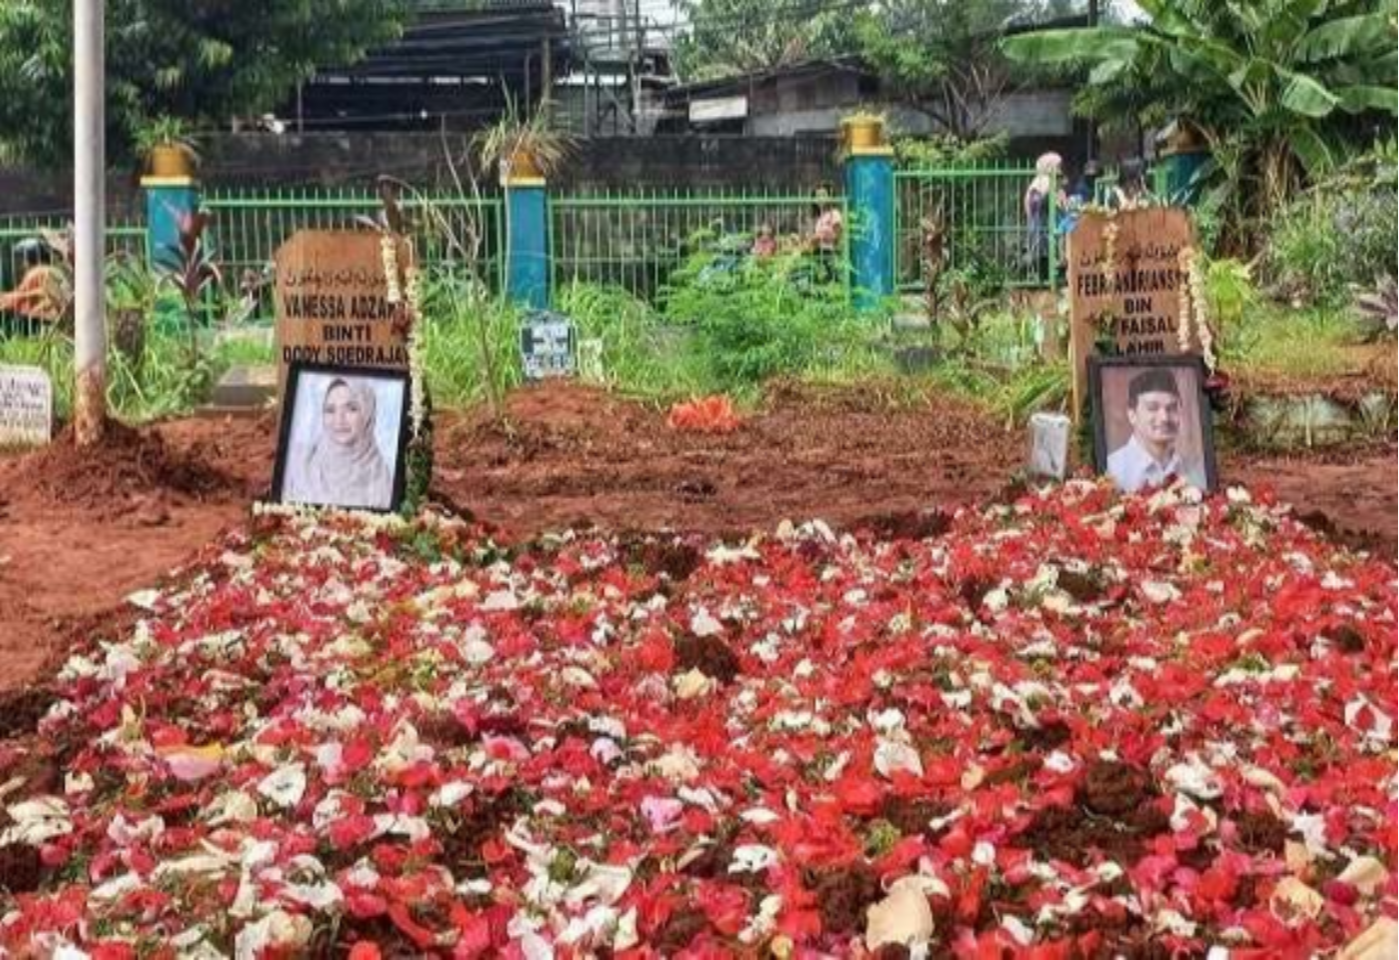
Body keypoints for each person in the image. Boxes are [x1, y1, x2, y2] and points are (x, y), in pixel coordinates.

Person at [284, 377, 394, 509]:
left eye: (351, 408)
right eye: (330, 410)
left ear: (368, 414)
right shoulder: (299, 465)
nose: (339, 419)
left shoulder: (382, 479)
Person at [1106, 368, 1207, 493]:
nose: (1164, 418)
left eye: (1171, 408)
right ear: (1132, 415)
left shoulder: (1194, 469)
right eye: (1152, 408)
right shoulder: (1112, 470)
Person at [1023, 152, 1064, 276]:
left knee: (1044, 249)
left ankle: (1044, 276)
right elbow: (1037, 201)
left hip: (1042, 221)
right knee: (1042, 250)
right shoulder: (1044, 181)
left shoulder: (1043, 180)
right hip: (1041, 221)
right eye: (1058, 166)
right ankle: (1044, 278)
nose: (1060, 168)